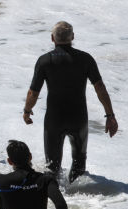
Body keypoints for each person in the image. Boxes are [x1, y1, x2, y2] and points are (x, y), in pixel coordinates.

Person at [22, 21, 118, 182]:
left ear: (52, 38)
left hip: (54, 119)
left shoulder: (44, 61)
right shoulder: (85, 59)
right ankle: (81, 200)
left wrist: (27, 111)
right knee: (79, 165)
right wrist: (110, 115)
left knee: (52, 168)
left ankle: (57, 200)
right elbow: (100, 87)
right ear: (72, 37)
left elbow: (33, 92)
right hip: (78, 118)